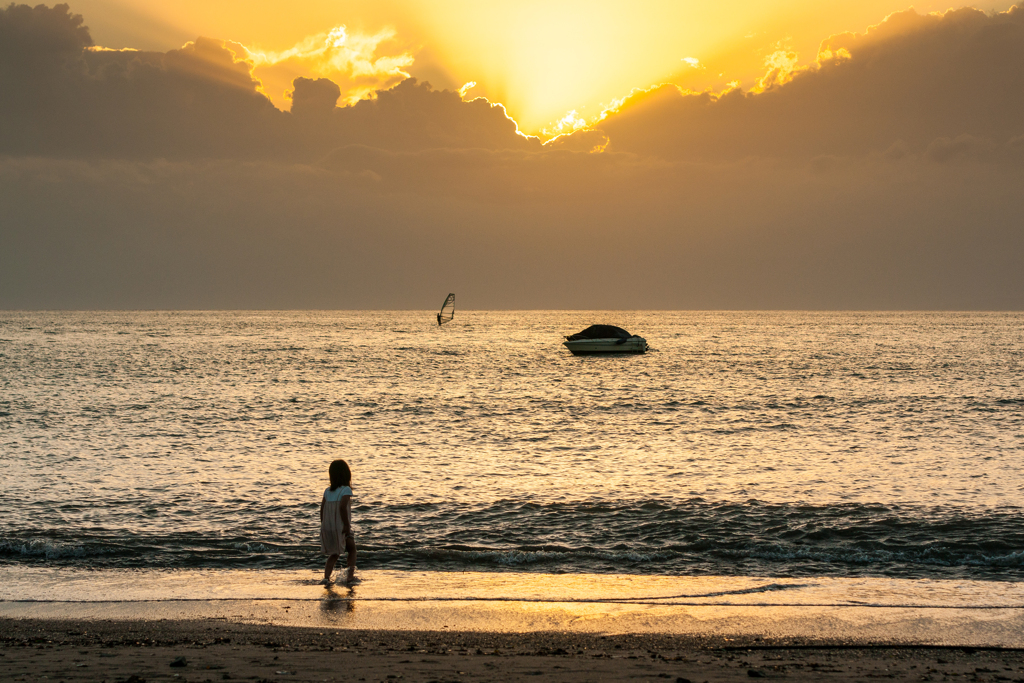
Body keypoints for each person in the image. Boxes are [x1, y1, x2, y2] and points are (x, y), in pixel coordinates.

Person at [320, 459, 356, 584]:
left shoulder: (327, 491)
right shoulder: (346, 490)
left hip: (328, 526)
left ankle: (326, 578)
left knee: (334, 553)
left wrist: (324, 524)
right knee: (352, 549)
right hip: (341, 526)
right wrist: (346, 525)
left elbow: (322, 508)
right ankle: (350, 577)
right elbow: (342, 507)